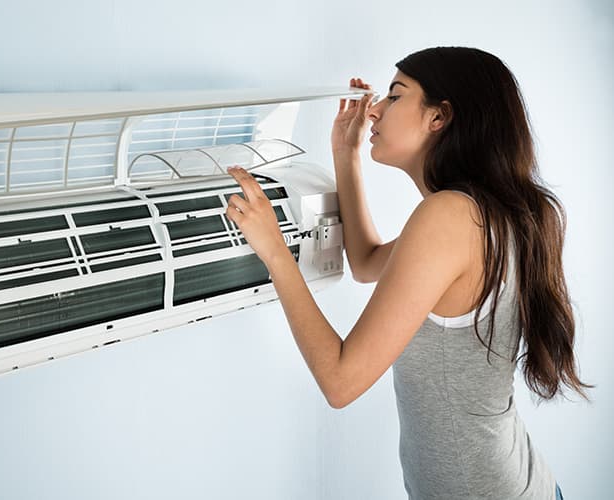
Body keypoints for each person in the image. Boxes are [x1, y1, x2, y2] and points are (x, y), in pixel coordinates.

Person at [224, 46, 591, 500]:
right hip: (523, 482)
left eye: (395, 96)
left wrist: (276, 253)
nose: (374, 109)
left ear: (439, 118)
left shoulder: (449, 216)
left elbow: (340, 382)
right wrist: (346, 154)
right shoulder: (492, 211)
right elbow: (367, 263)